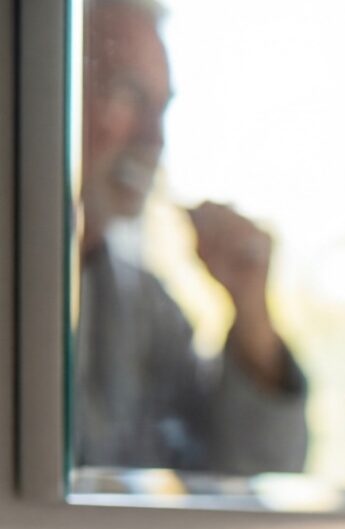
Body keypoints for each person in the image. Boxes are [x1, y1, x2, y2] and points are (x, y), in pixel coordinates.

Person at [73, 0, 308, 475]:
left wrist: (251, 311)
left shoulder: (146, 311)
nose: (152, 137)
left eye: (160, 108)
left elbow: (251, 473)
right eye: (127, 95)